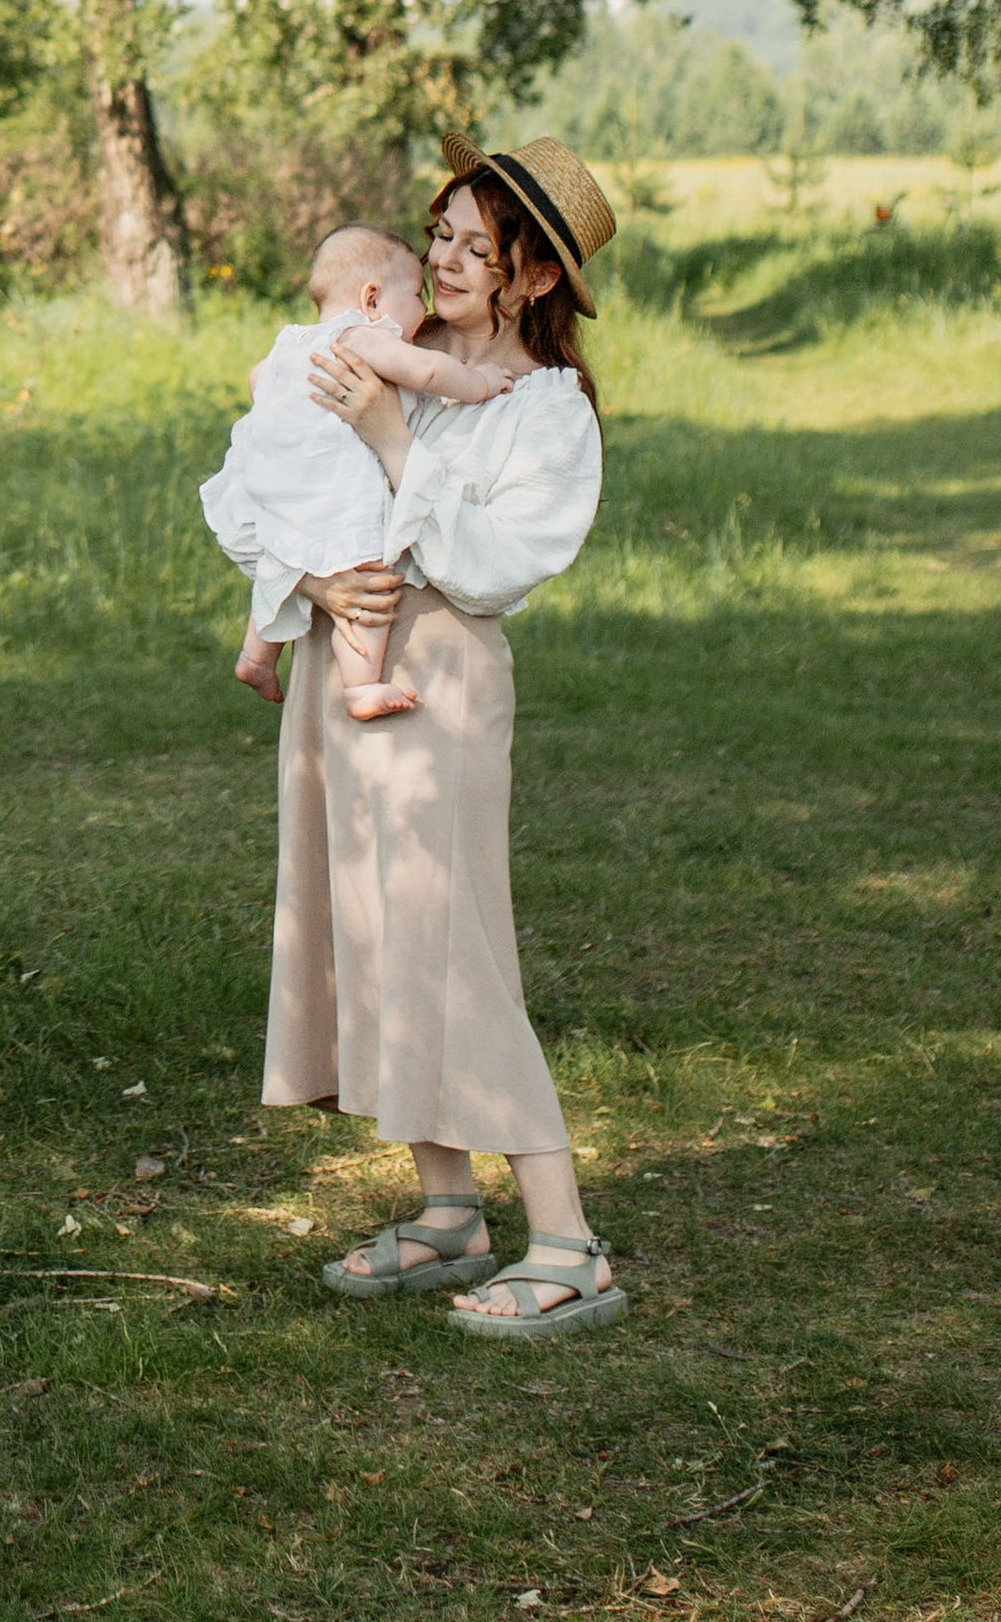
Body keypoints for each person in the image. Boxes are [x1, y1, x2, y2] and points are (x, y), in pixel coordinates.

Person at [258, 134, 626, 1338]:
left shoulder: (543, 410)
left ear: (530, 278)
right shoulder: (387, 345)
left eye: (479, 246)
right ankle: (448, 1209)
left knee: (453, 937)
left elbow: (493, 565)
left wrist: (390, 438)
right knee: (371, 926)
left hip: (439, 681)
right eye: (442, 236)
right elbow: (278, 478)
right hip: (340, 665)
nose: (448, 259)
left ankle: (567, 1243)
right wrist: (306, 591)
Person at [201, 223, 515, 719]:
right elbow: (429, 373)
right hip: (331, 495)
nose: (423, 305)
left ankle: (255, 657)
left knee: (283, 555)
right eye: (415, 294)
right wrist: (479, 382)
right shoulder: (364, 337)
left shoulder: (294, 340)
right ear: (372, 299)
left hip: (277, 488)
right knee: (366, 575)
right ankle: (362, 685)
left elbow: (257, 379)